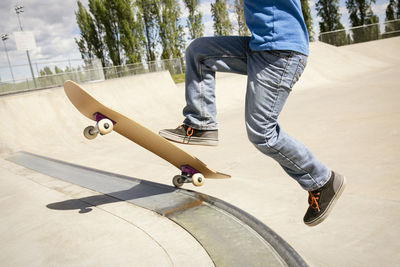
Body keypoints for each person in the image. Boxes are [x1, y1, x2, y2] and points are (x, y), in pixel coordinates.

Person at [159, 0, 346, 226]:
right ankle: (201, 123)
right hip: (259, 47)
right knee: (199, 52)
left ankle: (322, 181)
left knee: (262, 134)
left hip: (282, 54)